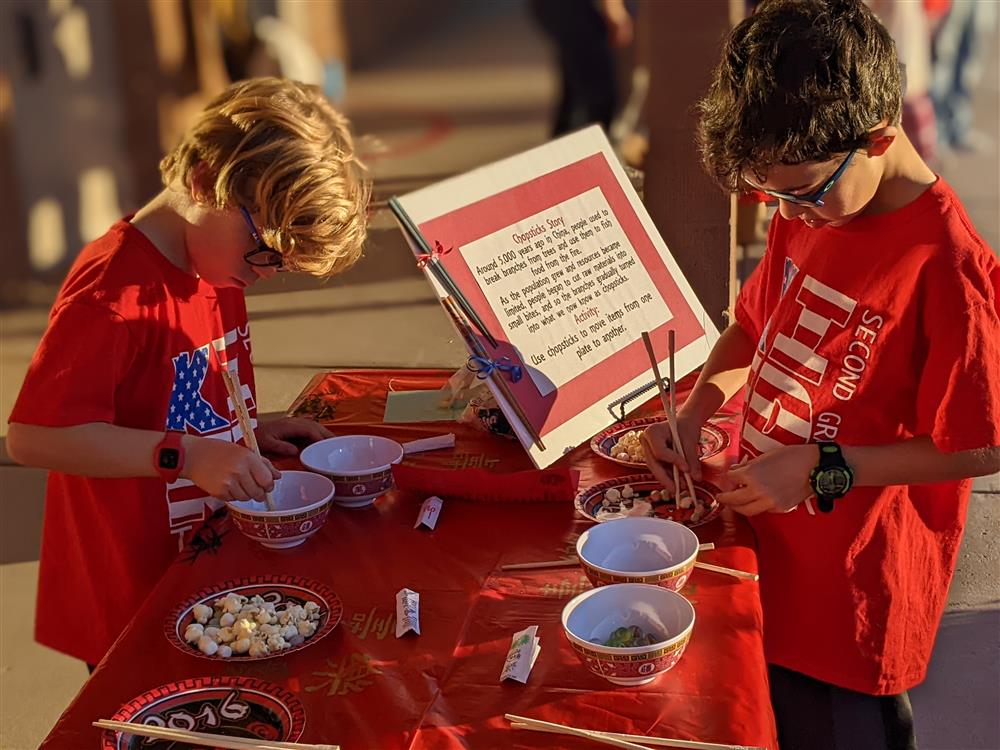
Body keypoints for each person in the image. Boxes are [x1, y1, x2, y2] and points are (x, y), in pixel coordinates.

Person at [640, 1, 1000, 748]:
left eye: (800, 192)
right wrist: (698, 409)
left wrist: (823, 470)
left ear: (878, 137)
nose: (789, 214)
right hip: (768, 561)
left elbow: (982, 443)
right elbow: (750, 324)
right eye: (772, 197)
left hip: (852, 603)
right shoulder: (811, 203)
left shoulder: (950, 266)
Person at [6, 77, 370, 669]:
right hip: (134, 588)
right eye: (267, 251)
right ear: (205, 181)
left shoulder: (214, 262)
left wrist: (244, 429)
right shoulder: (111, 298)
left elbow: (180, 396)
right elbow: (33, 437)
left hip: (205, 566)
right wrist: (188, 457)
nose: (268, 274)